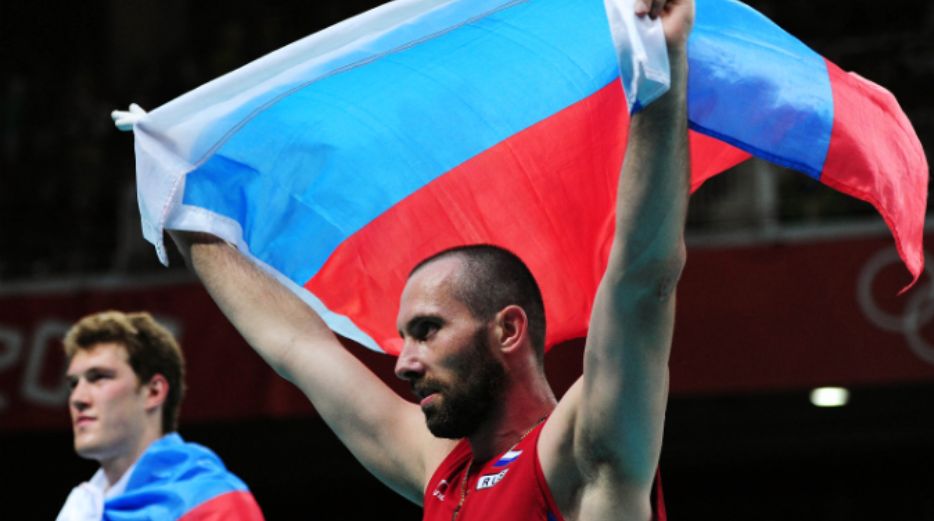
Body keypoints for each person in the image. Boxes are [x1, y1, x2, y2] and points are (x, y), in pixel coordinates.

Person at [172, 0, 693, 518]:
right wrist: (180, 204)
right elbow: (298, 346)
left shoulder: (580, 455)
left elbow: (642, 279)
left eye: (426, 330)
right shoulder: (440, 472)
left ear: (508, 330)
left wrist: (660, 70)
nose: (403, 362)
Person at [57, 310, 265, 521]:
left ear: (153, 392)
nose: (77, 398)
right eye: (74, 383)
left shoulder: (211, 503)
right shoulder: (81, 511)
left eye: (99, 377)